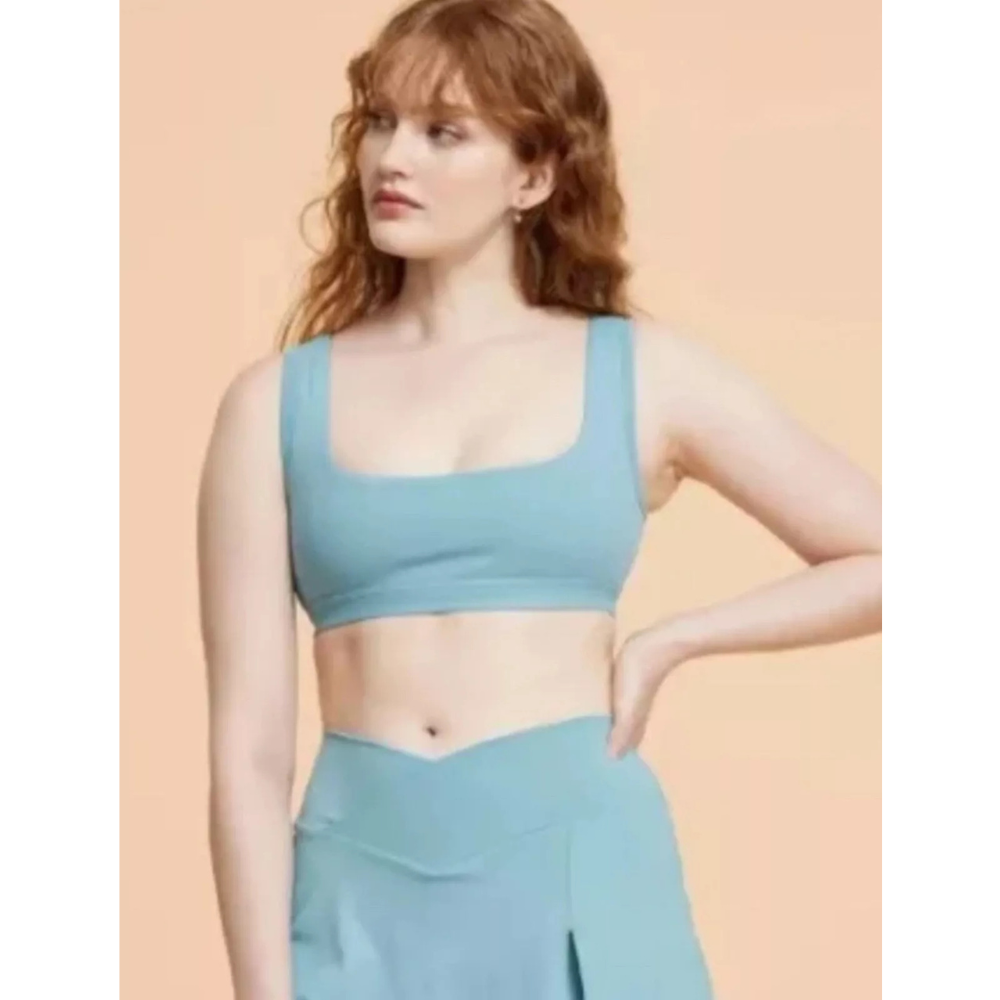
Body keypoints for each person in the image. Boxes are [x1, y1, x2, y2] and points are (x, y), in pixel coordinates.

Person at [196, 0, 881, 997]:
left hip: (579, 875)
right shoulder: (271, 404)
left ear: (534, 174)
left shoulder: (643, 372)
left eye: (444, 132)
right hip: (358, 895)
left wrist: (670, 641)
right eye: (381, 121)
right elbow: (249, 757)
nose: (393, 157)